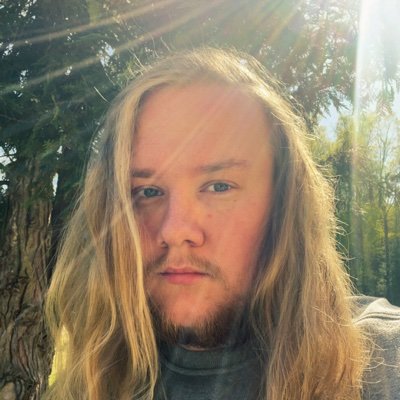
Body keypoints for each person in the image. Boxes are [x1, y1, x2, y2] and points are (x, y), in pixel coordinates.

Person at [45, 48, 400, 400]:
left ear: (284, 206)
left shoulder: (380, 365)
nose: (175, 230)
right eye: (148, 191)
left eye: (219, 186)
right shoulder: (92, 380)